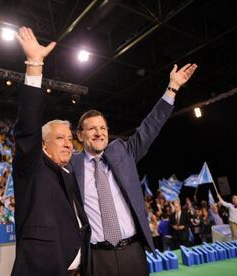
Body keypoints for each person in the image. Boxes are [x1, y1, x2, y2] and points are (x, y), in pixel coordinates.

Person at [71, 59, 197, 275]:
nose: (99, 132)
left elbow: (150, 127)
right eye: (92, 129)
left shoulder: (123, 152)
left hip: (133, 252)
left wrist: (172, 88)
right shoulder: (71, 165)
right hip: (96, 258)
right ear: (80, 135)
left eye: (103, 127)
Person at [11, 26, 90, 276]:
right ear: (43, 144)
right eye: (60, 138)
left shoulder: (68, 174)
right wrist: (34, 64)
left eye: (69, 139)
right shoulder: (31, 166)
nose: (69, 143)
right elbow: (27, 128)